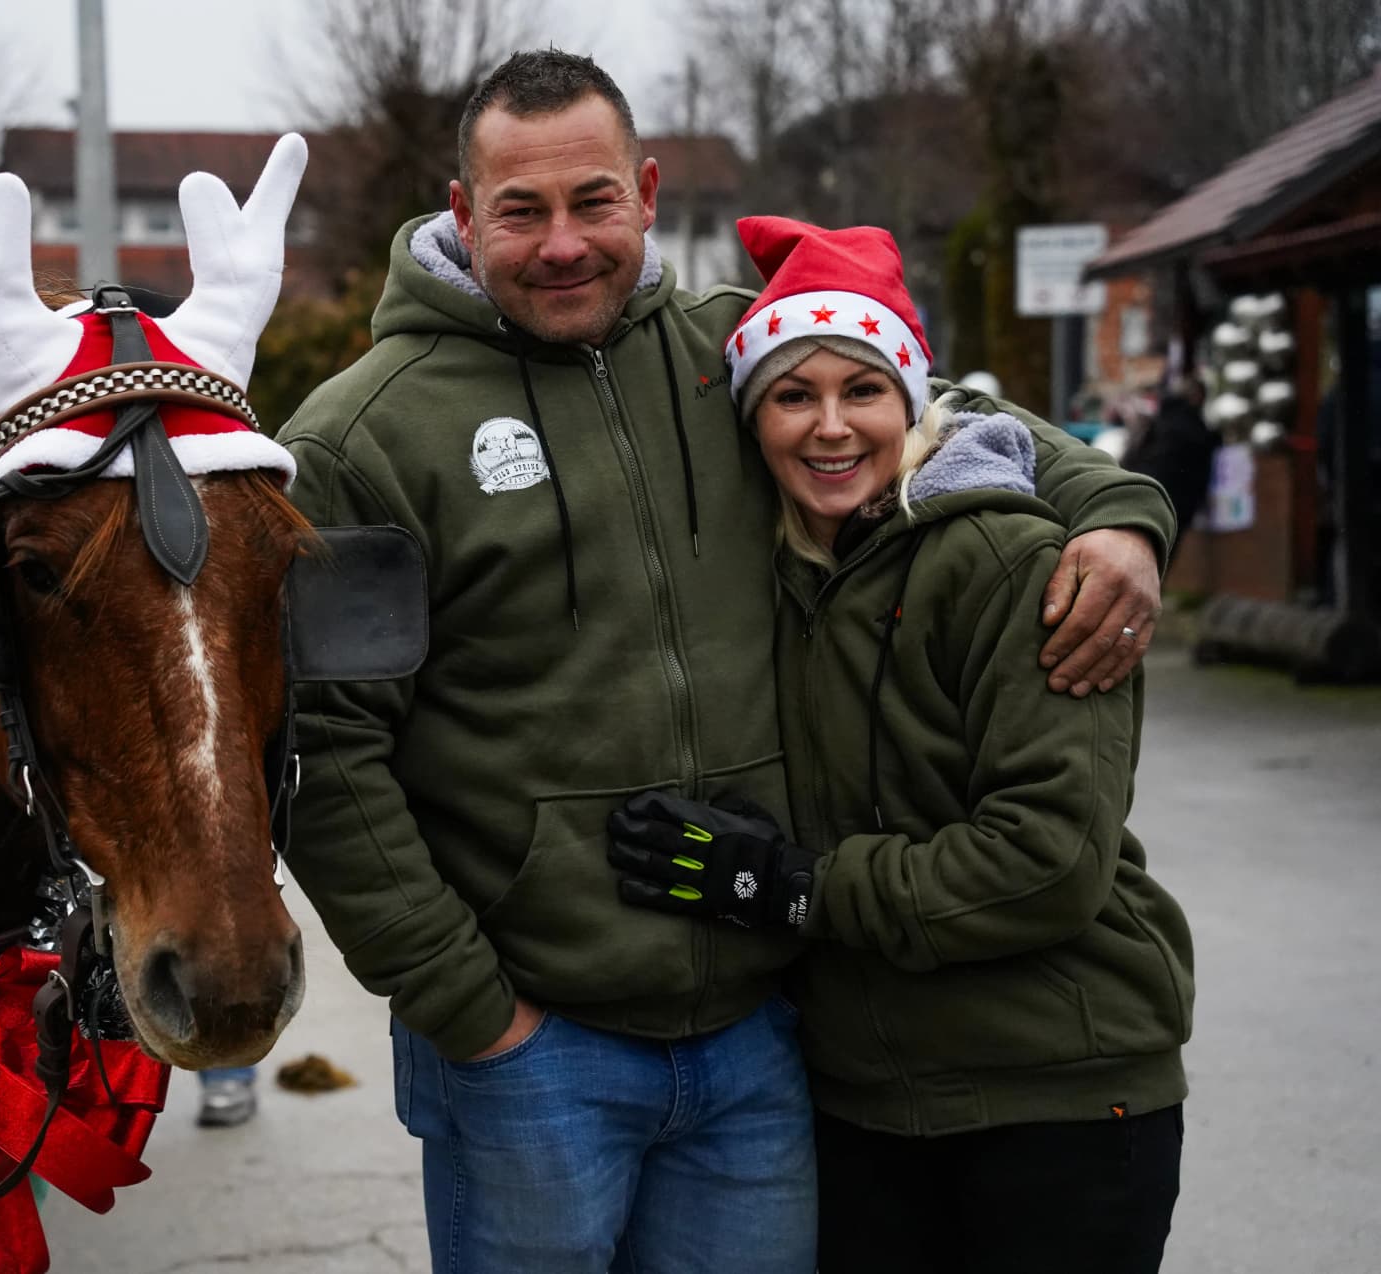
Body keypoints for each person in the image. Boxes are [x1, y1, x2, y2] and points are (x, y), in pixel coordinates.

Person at [276, 48, 1175, 1274]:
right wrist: (476, 1015)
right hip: (536, 1048)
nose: (561, 244)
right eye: (519, 210)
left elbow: (938, 411)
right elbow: (328, 755)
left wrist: (1121, 511)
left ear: (646, 194)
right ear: (459, 213)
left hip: (762, 1032)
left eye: (593, 201)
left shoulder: (731, 353)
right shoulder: (357, 440)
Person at [608, 217, 1192, 1273]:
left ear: (913, 401)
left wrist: (795, 886)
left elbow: (1048, 859)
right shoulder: (779, 578)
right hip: (868, 1100)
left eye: (863, 389)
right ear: (754, 418)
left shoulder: (1017, 564)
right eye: (793, 395)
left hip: (1054, 1091)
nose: (830, 427)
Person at [1123, 374, 1217, 562]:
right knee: (1161, 551)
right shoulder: (1192, 426)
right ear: (1197, 397)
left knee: (1136, 545)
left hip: (1143, 486)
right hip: (1172, 498)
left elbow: (1135, 452)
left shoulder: (1161, 418)